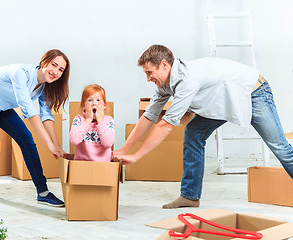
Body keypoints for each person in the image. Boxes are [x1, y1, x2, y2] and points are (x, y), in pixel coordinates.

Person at [114, 44, 293, 208]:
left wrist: (136, 156)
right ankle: (190, 196)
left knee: (279, 147)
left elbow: (165, 125)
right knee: (193, 135)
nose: (147, 78)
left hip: (253, 92)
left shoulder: (187, 80)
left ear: (164, 65)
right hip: (222, 100)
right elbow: (149, 116)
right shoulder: (164, 84)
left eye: (149, 72)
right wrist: (124, 150)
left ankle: (190, 195)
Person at [0, 49, 69, 207]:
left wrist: (57, 145)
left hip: (1, 106)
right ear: (44, 62)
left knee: (27, 140)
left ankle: (43, 192)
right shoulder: (21, 73)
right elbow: (30, 111)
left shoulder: (44, 87)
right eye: (54, 65)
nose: (55, 71)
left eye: (61, 70)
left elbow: (46, 115)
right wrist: (49, 145)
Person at [69, 84, 115, 162]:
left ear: (104, 105)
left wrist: (100, 120)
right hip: (81, 165)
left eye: (98, 100)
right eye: (90, 100)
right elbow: (74, 140)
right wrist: (88, 120)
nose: (94, 103)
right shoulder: (79, 119)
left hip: (103, 166)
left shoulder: (108, 120)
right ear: (83, 106)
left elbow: (108, 143)